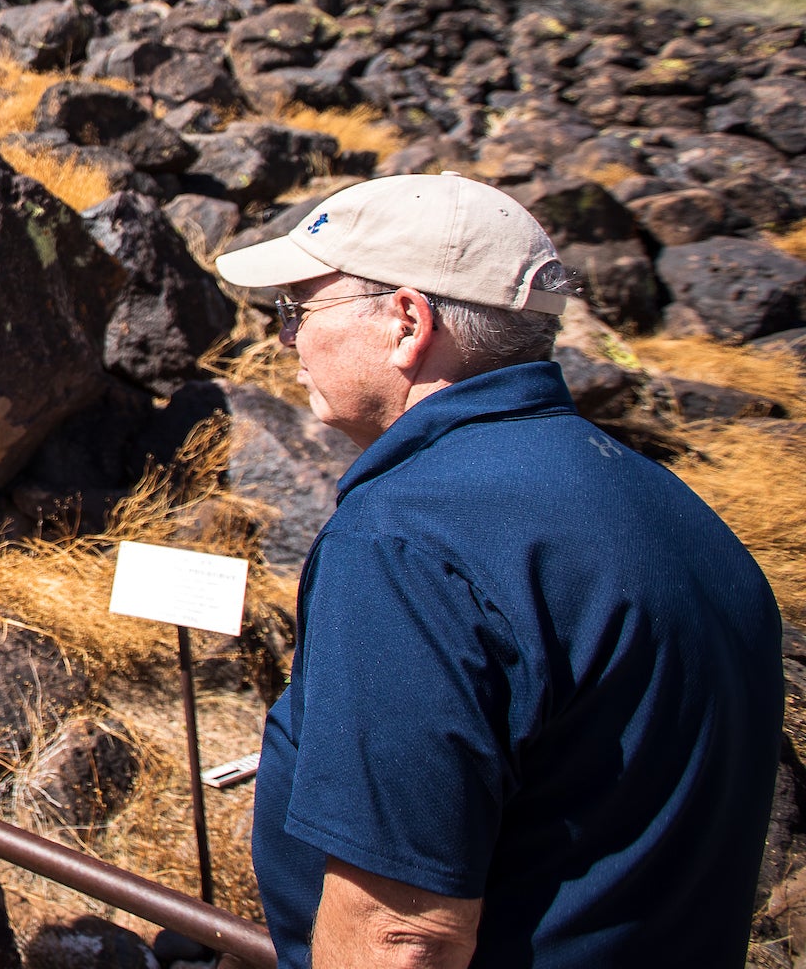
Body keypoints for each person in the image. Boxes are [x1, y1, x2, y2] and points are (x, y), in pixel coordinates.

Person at [215, 172, 782, 969]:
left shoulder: (408, 538)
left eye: (297, 311)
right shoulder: (660, 499)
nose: (286, 341)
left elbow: (403, 932)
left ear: (407, 322)